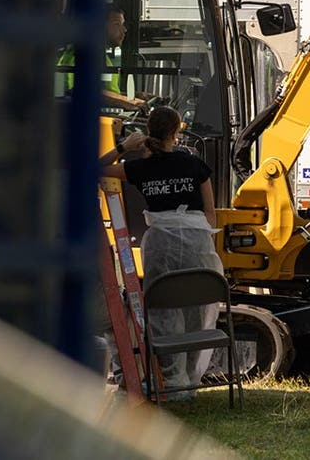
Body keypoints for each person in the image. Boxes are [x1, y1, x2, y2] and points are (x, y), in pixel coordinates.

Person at [99, 106, 222, 399]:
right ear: (176, 132)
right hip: (199, 243)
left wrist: (122, 147)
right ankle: (189, 382)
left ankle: (172, 381)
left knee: (164, 311)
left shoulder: (140, 168)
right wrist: (205, 246)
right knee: (198, 309)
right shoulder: (193, 164)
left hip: (160, 245)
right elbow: (210, 213)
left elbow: (93, 168)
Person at [58, 5, 148, 112]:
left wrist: (135, 96)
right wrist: (126, 102)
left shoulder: (101, 57)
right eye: (117, 24)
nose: (124, 30)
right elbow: (82, 92)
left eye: (123, 24)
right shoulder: (80, 55)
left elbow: (105, 92)